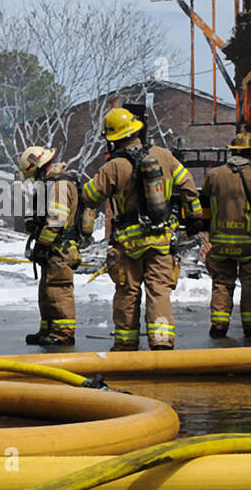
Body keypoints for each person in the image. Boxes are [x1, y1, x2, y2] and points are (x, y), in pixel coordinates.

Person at [80, 107, 201, 351]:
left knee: (128, 292)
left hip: (129, 245)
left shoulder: (113, 167)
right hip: (161, 238)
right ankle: (162, 341)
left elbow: (89, 196)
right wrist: (195, 214)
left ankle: (126, 344)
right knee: (159, 292)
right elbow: (187, 182)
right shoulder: (164, 156)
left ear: (114, 139)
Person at [202, 131, 251, 338]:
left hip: (220, 242)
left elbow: (204, 199)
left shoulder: (215, 175)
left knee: (221, 282)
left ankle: (219, 326)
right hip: (248, 242)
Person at [19, 145, 83, 347]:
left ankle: (63, 334)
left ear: (37, 167)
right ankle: (47, 330)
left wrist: (42, 245)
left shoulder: (58, 186)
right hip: (52, 249)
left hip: (60, 248)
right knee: (47, 291)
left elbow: (56, 220)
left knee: (59, 290)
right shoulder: (50, 184)